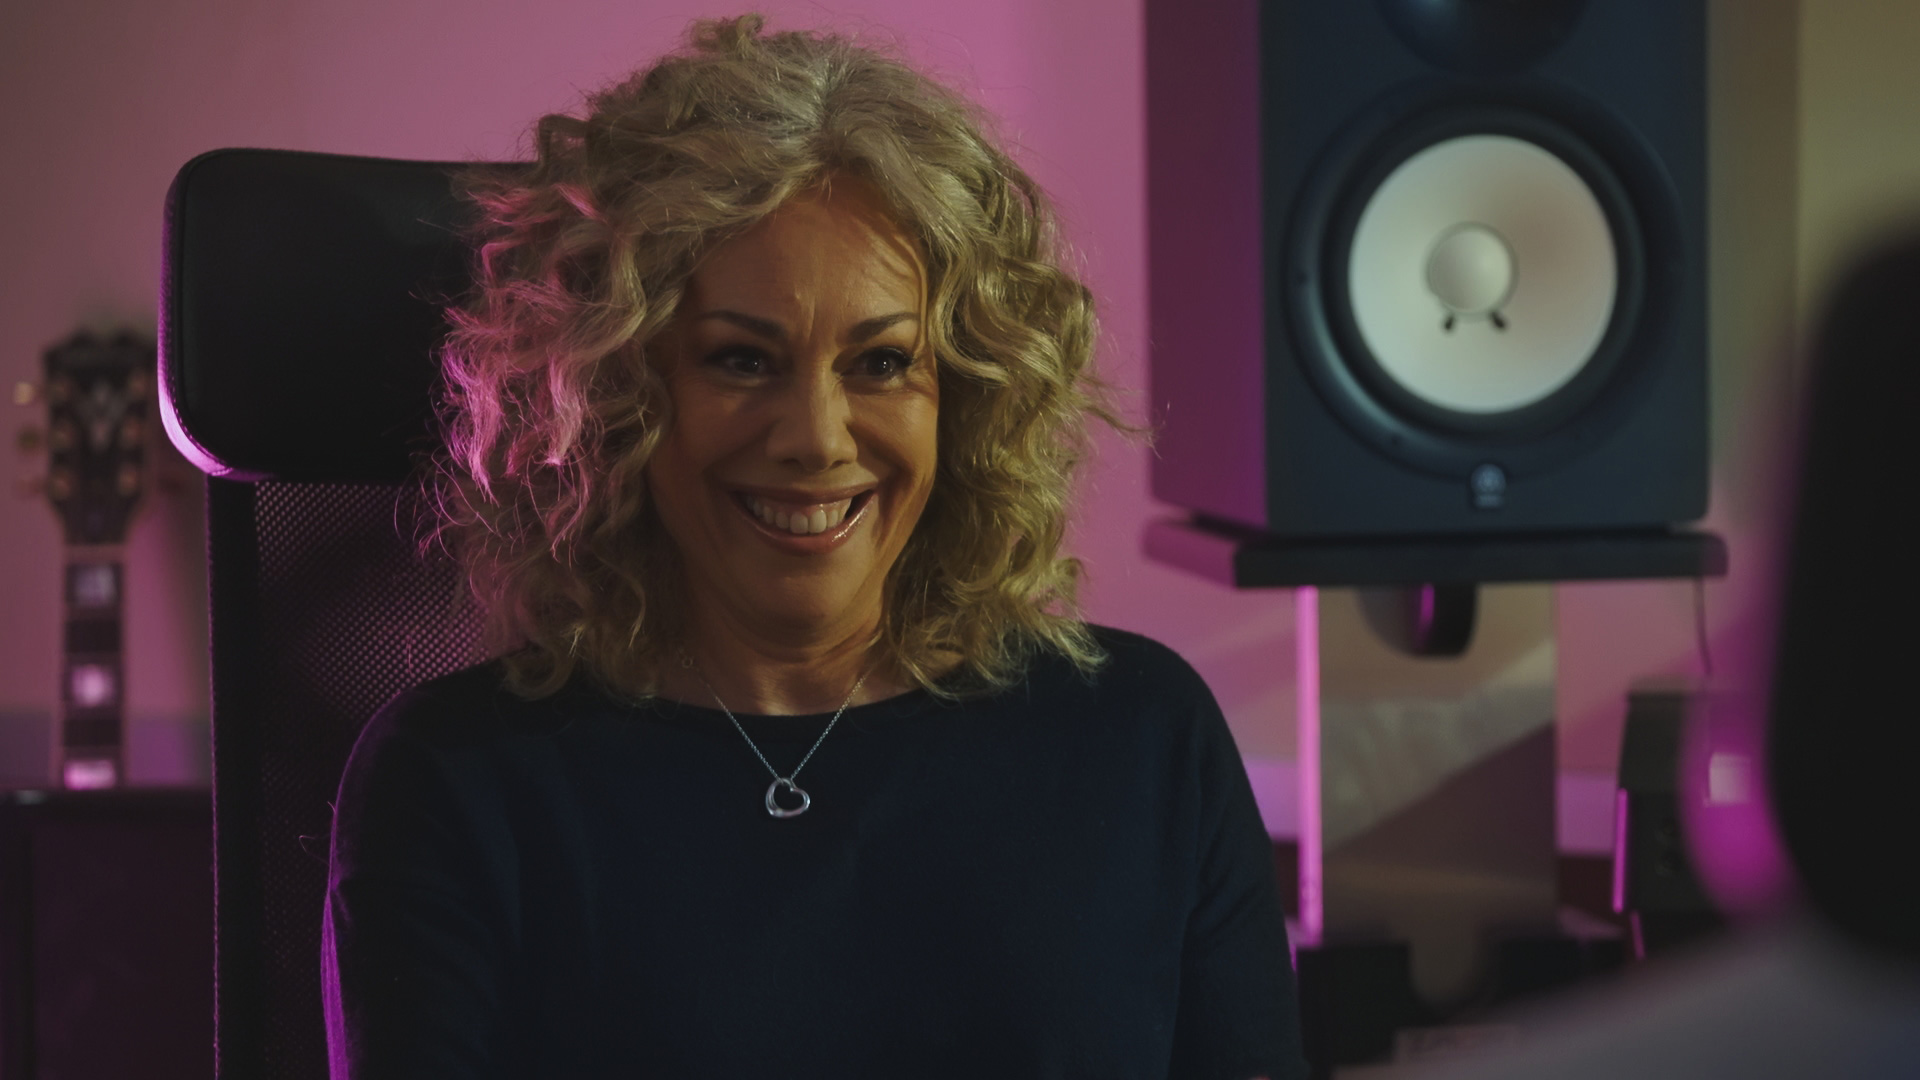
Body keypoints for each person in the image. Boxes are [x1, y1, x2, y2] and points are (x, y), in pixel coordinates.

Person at [322, 15, 1305, 1079]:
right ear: (617, 395)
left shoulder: (1143, 739)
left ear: (964, 396)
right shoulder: (462, 781)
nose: (817, 439)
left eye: (881, 363)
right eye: (742, 361)